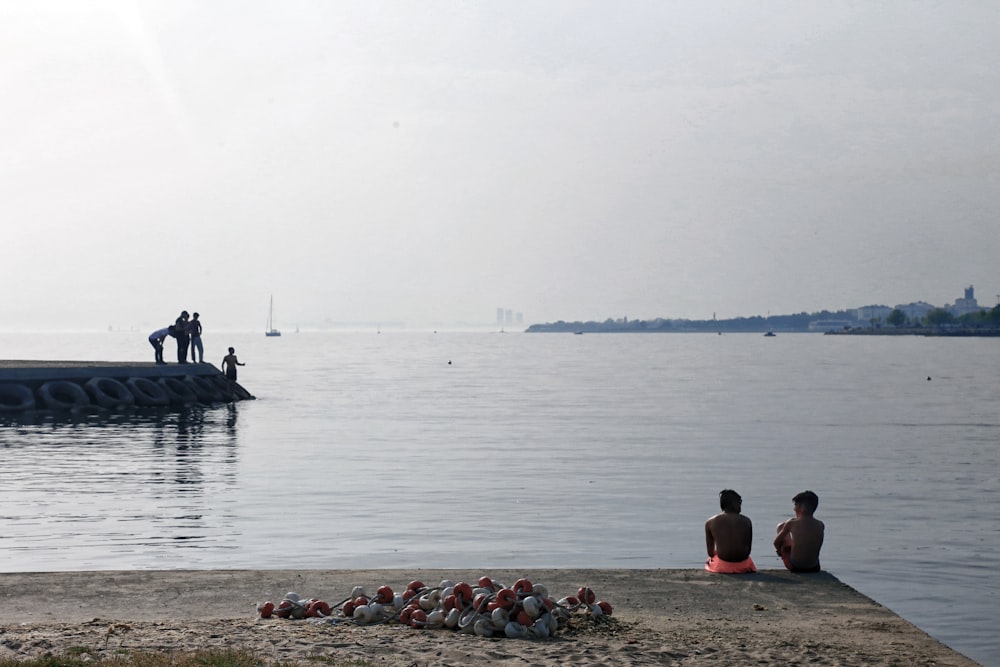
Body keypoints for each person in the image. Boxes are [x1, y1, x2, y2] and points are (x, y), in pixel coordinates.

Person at [704, 489, 756, 573]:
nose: (740, 505)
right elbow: (748, 550)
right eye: (739, 502)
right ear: (733, 503)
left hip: (722, 566)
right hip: (743, 565)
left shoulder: (710, 522)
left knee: (710, 560)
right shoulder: (747, 521)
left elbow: (710, 553)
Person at [774, 490, 825, 573]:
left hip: (796, 566)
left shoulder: (791, 523)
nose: (794, 509)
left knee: (780, 526)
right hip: (814, 567)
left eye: (795, 505)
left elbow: (776, 542)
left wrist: (779, 552)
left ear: (802, 508)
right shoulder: (821, 525)